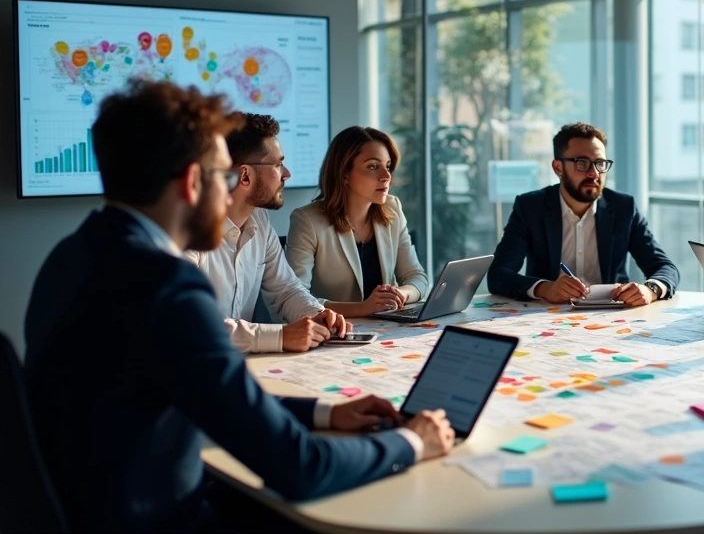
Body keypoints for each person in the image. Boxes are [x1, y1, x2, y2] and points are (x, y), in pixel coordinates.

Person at [22, 81, 454, 533]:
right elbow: (300, 467)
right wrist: (411, 443)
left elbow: (213, 393)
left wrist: (326, 413)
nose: (230, 192)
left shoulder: (73, 255)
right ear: (193, 182)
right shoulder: (166, 289)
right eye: (223, 176)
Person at [186, 113, 350, 353]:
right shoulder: (189, 231)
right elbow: (191, 323)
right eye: (277, 164)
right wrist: (280, 336)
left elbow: (285, 290)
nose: (286, 173)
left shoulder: (259, 220)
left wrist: (317, 314)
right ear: (245, 176)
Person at [488, 122, 679, 306]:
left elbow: (665, 268)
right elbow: (498, 274)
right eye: (582, 163)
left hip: (611, 317)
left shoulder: (624, 208)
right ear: (558, 168)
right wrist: (545, 288)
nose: (594, 173)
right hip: (548, 316)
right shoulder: (531, 207)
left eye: (600, 163)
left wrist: (650, 290)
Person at [287, 126, 429, 318]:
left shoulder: (393, 208)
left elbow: (417, 277)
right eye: (373, 166)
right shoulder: (307, 220)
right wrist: (362, 308)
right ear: (344, 173)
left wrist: (400, 294)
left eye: (387, 166)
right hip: (336, 331)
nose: (386, 176)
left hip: (387, 328)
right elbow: (295, 299)